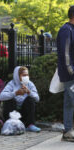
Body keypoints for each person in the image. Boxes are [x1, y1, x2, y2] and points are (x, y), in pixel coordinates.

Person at [0, 66, 41, 132]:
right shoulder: (12, 84)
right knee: (9, 100)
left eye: (27, 75)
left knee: (30, 100)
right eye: (24, 75)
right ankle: (8, 123)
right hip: (13, 112)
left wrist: (29, 92)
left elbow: (37, 98)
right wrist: (15, 93)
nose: (26, 77)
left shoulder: (30, 84)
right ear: (17, 76)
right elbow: (1, 97)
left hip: (25, 112)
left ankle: (30, 125)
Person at [57, 5, 74, 142]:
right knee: (71, 101)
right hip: (71, 74)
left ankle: (68, 131)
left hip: (71, 74)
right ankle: (68, 131)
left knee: (69, 102)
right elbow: (65, 54)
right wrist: (72, 72)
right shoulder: (66, 30)